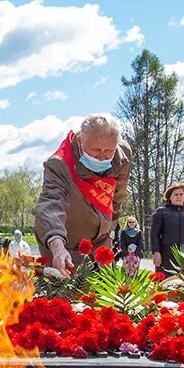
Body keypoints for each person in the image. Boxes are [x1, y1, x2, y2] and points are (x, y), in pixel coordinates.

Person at [34, 114, 132, 276]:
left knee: (103, 295)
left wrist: (111, 229)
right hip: (66, 243)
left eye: (108, 151)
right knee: (67, 295)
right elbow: (50, 206)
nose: (102, 157)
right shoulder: (59, 164)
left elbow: (117, 196)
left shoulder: (122, 156)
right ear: (80, 141)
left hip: (102, 240)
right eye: (95, 150)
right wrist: (58, 247)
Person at [150, 182, 184, 273]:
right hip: (166, 255)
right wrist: (156, 252)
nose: (178, 196)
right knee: (165, 284)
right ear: (169, 197)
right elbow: (154, 234)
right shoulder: (161, 212)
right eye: (175, 194)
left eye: (181, 194)